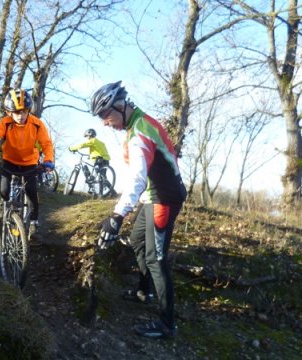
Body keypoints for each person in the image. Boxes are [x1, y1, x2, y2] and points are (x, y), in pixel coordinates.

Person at [91, 81, 187, 338]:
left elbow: (137, 179)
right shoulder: (139, 124)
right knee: (137, 241)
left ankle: (167, 324)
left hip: (164, 199)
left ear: (120, 106)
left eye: (105, 115)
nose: (104, 122)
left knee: (157, 258)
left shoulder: (139, 133)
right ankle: (146, 291)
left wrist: (117, 216)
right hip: (152, 197)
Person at [0, 89, 54, 236]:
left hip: (30, 163)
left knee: (31, 191)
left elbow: (46, 144)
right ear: (9, 112)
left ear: (28, 110)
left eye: (24, 111)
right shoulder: (6, 123)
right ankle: (3, 201)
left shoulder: (37, 124)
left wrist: (48, 161)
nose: (21, 116)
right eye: (17, 112)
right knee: (5, 189)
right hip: (10, 161)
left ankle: (33, 222)